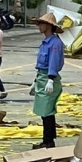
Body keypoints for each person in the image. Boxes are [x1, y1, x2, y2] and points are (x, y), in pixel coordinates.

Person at [32, 11, 65, 148]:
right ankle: (48, 139)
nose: (39, 26)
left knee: (47, 112)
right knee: (44, 112)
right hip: (42, 77)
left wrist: (50, 79)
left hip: (48, 78)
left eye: (42, 23)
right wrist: (35, 81)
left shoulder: (55, 43)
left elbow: (53, 62)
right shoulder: (45, 42)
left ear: (49, 26)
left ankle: (48, 141)